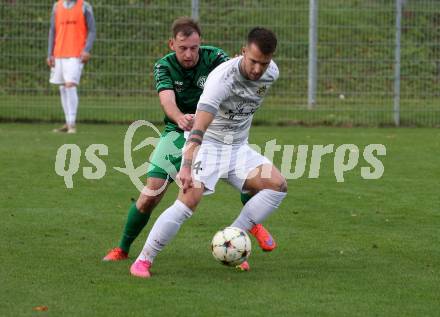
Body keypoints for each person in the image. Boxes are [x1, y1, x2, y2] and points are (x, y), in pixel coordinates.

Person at [103, 18, 276, 262]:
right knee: (150, 194)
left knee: (249, 176)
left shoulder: (214, 57)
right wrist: (179, 117)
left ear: (200, 43)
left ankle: (251, 227)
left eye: (194, 47)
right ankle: (123, 248)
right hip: (177, 131)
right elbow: (167, 100)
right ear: (172, 44)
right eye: (183, 48)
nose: (189, 54)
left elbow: (236, 75)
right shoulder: (164, 66)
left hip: (212, 133)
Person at [47, 0, 96, 134]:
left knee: (70, 85)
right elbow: (53, 30)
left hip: (76, 53)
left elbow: (92, 30)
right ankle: (67, 123)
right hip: (59, 53)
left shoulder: (84, 6)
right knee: (62, 87)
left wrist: (86, 49)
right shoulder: (57, 6)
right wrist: (49, 53)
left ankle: (72, 124)